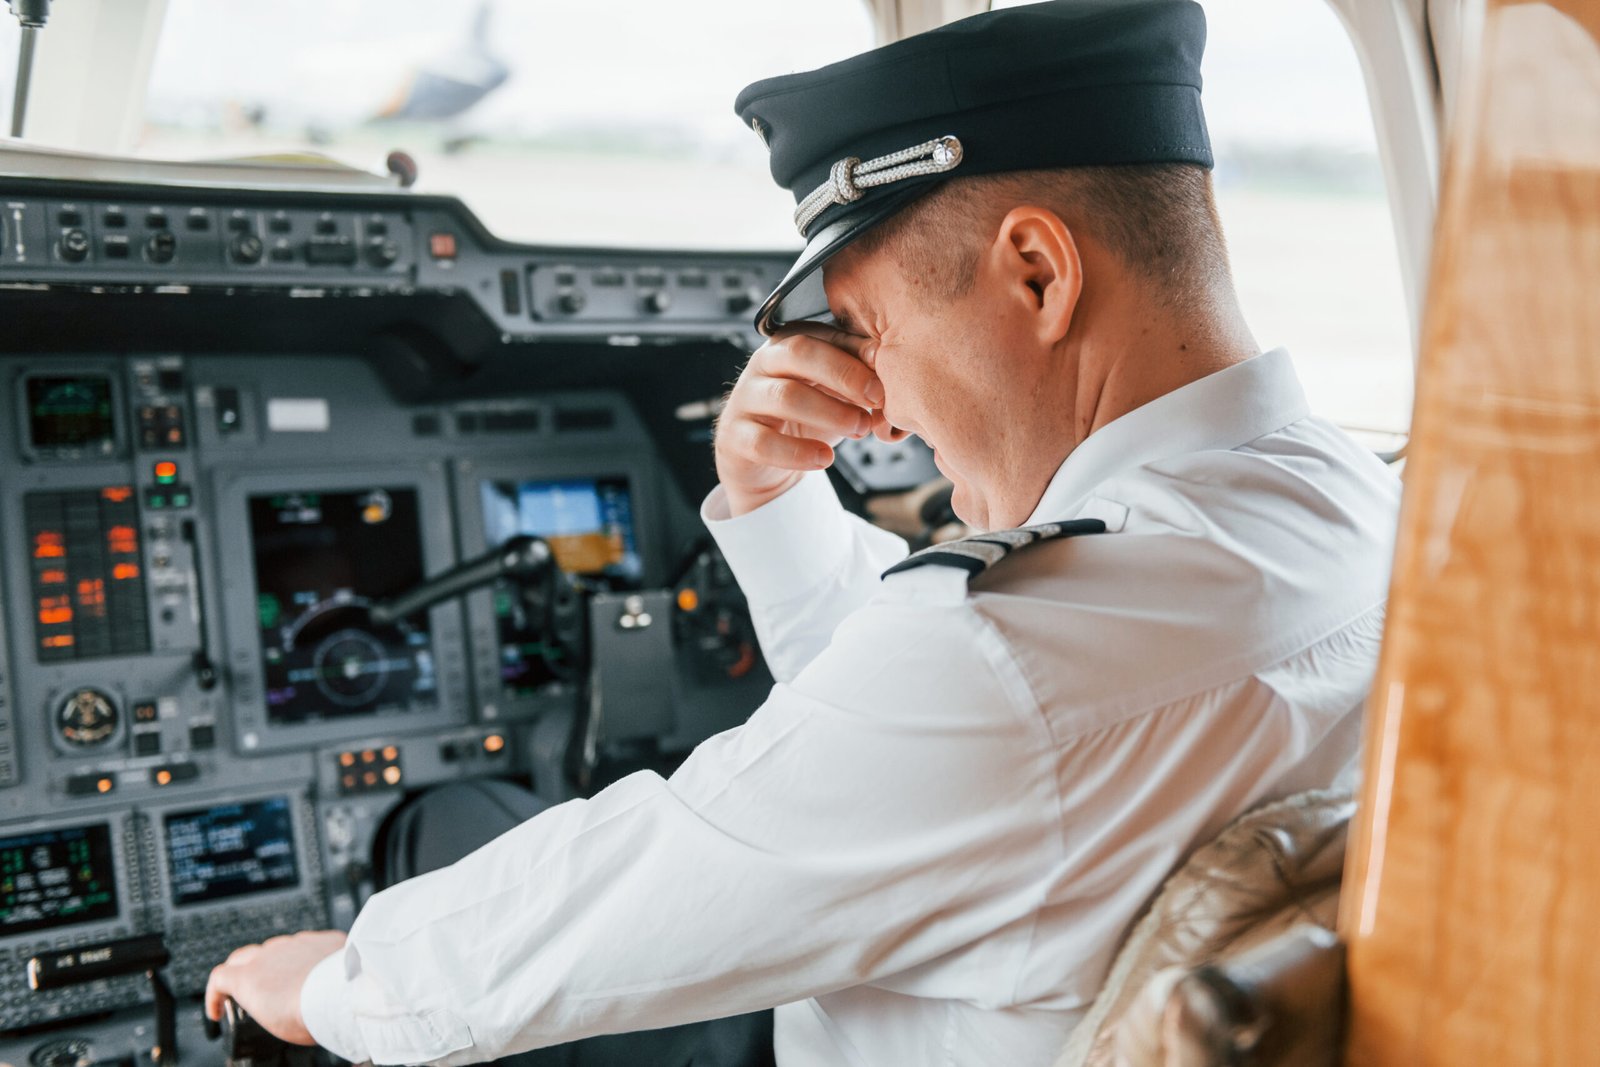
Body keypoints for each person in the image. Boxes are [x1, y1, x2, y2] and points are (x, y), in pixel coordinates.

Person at [204, 2, 1401, 1065]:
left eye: (871, 329)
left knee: (442, 837)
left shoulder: (1021, 662)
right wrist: (774, 506)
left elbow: (634, 892)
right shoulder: (1360, 504)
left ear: (1038, 273)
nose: (876, 403)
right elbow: (928, 746)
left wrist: (325, 984)